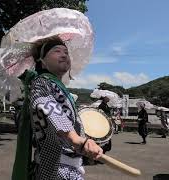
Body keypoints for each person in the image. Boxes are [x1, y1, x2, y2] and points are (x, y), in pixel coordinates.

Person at [12, 38, 103, 180]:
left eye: (66, 52)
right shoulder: (41, 82)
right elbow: (49, 109)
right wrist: (76, 139)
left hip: (69, 167)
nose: (64, 54)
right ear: (42, 60)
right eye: (57, 51)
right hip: (56, 169)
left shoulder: (57, 86)